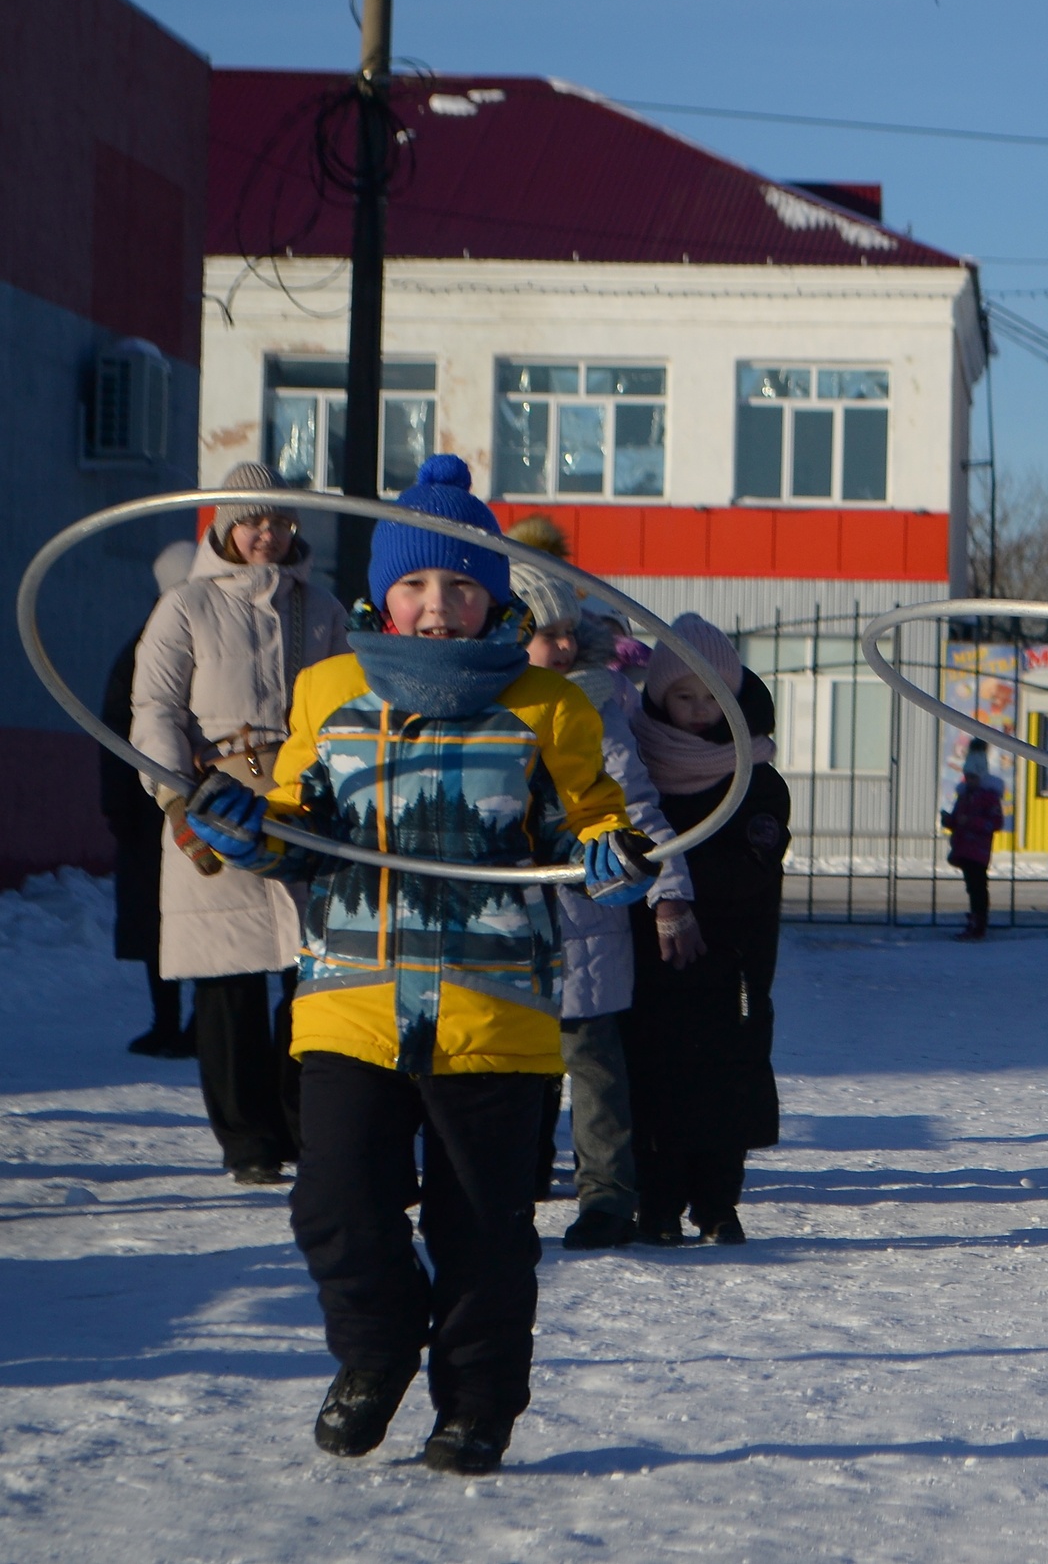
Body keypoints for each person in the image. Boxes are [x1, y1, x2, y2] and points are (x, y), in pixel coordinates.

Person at [180, 454, 653, 1475]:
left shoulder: (549, 705)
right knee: (334, 1206)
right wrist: (246, 827)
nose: (437, 606)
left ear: (493, 598)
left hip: (496, 1014)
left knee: (483, 1230)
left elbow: (596, 838)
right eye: (415, 585)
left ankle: (477, 1403)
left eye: (461, 585)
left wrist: (617, 867)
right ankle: (376, 1352)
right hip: (352, 1002)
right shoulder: (330, 688)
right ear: (381, 595)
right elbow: (301, 832)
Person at [130, 464, 349, 1182]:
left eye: (282, 522)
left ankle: (300, 1123)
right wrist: (175, 799)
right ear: (224, 528)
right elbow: (156, 710)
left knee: (307, 973)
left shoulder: (319, 607)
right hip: (211, 800)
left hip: (298, 804)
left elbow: (349, 704)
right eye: (255, 521)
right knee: (226, 984)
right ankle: (246, 1140)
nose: (269, 533)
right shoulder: (185, 607)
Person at [517, 569, 695, 1251]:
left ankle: (608, 1196)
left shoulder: (593, 702)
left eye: (569, 633)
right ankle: (509, 1186)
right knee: (511, 1068)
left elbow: (637, 803)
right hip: (506, 920)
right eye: (544, 635)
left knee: (592, 1064)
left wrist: (668, 889)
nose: (561, 648)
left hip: (584, 919)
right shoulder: (486, 704)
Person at [624, 614, 790, 1247]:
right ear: (659, 697)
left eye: (708, 696)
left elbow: (754, 860)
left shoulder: (754, 774)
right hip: (653, 952)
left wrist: (684, 887)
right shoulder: (635, 766)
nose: (695, 711)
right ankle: (658, 1204)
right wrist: (659, 897)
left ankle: (720, 1203)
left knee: (727, 1080)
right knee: (653, 1077)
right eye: (682, 696)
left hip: (732, 953)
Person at [107, 540, 200, 1058]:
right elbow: (116, 733)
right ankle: (170, 1022)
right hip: (148, 811)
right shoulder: (141, 649)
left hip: (194, 798)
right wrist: (118, 805)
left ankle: (195, 1024)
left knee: (206, 916)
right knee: (156, 921)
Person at [942, 739, 1005, 940]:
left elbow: (995, 822)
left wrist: (971, 821)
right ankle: (975, 919)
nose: (969, 780)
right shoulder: (965, 795)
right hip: (964, 847)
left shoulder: (988, 796)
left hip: (978, 850)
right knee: (972, 886)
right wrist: (950, 820)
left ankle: (979, 921)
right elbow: (958, 819)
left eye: (973, 776)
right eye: (967, 776)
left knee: (978, 886)